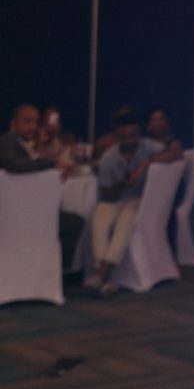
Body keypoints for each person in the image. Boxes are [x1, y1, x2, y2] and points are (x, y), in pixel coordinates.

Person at [86, 107, 183, 296]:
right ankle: (107, 277)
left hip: (139, 200)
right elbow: (107, 195)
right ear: (117, 135)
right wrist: (123, 182)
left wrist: (145, 163)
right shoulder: (109, 158)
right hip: (114, 199)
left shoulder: (148, 147)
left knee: (126, 220)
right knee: (99, 221)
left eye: (132, 135)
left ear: (138, 132)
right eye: (124, 136)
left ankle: (102, 273)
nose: (129, 139)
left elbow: (177, 153)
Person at [0, 104, 84, 270]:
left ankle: (48, 270)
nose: (32, 126)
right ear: (13, 123)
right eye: (27, 121)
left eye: (35, 122)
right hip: (18, 214)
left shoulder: (23, 143)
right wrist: (51, 164)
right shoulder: (8, 141)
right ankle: (54, 271)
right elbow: (12, 164)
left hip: (24, 209)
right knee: (75, 222)